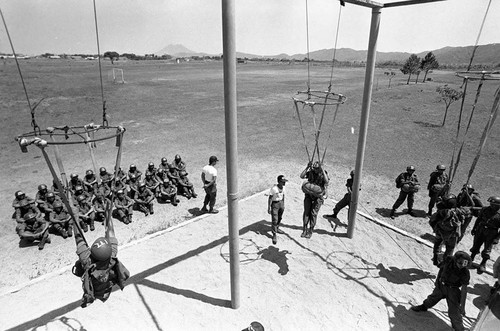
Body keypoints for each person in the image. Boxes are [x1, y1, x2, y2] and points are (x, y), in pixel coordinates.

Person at [73, 208, 130, 308]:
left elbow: (78, 238)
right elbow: (111, 232)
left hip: (95, 288)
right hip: (106, 285)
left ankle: (90, 298)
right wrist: (108, 213)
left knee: (79, 267)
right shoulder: (111, 255)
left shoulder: (87, 260)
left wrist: (75, 218)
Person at [411, 251, 471, 331]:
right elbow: (441, 270)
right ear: (455, 260)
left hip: (453, 291)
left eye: (464, 265)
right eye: (460, 263)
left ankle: (459, 329)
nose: (461, 266)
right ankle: (424, 307)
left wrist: (462, 306)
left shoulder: (465, 272)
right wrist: (437, 282)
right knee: (432, 298)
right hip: (441, 285)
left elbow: (464, 290)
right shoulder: (449, 260)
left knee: (454, 312)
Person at [429, 194, 472, 266]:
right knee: (450, 248)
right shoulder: (458, 212)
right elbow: (467, 214)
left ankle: (435, 257)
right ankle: (445, 263)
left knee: (437, 244)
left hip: (440, 231)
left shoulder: (441, 212)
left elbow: (432, 221)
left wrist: (436, 229)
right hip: (452, 234)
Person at [469, 196, 500, 274]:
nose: (491, 205)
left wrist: (497, 238)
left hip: (491, 232)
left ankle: (483, 264)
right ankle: (471, 258)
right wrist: (474, 228)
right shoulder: (485, 209)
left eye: (494, 204)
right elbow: (478, 219)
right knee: (476, 244)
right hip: (481, 229)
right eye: (491, 204)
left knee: (487, 249)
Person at [300, 161, 329, 239]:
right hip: (309, 195)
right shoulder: (311, 172)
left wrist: (322, 170)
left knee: (313, 214)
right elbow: (301, 176)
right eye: (314, 168)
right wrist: (307, 167)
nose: (315, 170)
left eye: (317, 168)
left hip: (318, 197)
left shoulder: (323, 173)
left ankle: (310, 230)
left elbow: (326, 182)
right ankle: (304, 229)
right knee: (306, 212)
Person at [268, 175, 288, 245]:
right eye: (283, 182)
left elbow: (283, 196)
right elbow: (270, 198)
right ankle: (274, 234)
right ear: (279, 182)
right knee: (274, 219)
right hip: (275, 204)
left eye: (284, 182)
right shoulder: (274, 189)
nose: (284, 183)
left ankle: (277, 228)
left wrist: (283, 204)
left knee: (280, 217)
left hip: (281, 203)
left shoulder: (284, 188)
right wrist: (269, 208)